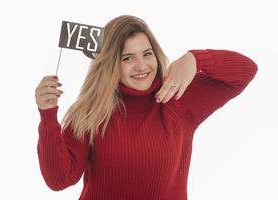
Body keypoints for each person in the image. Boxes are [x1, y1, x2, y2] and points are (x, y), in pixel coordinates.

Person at [34, 15, 258, 200]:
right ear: (110, 64)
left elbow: (246, 70)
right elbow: (59, 180)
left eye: (147, 54)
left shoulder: (177, 97)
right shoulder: (91, 112)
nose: (142, 66)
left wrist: (195, 59)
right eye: (127, 58)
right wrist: (47, 115)